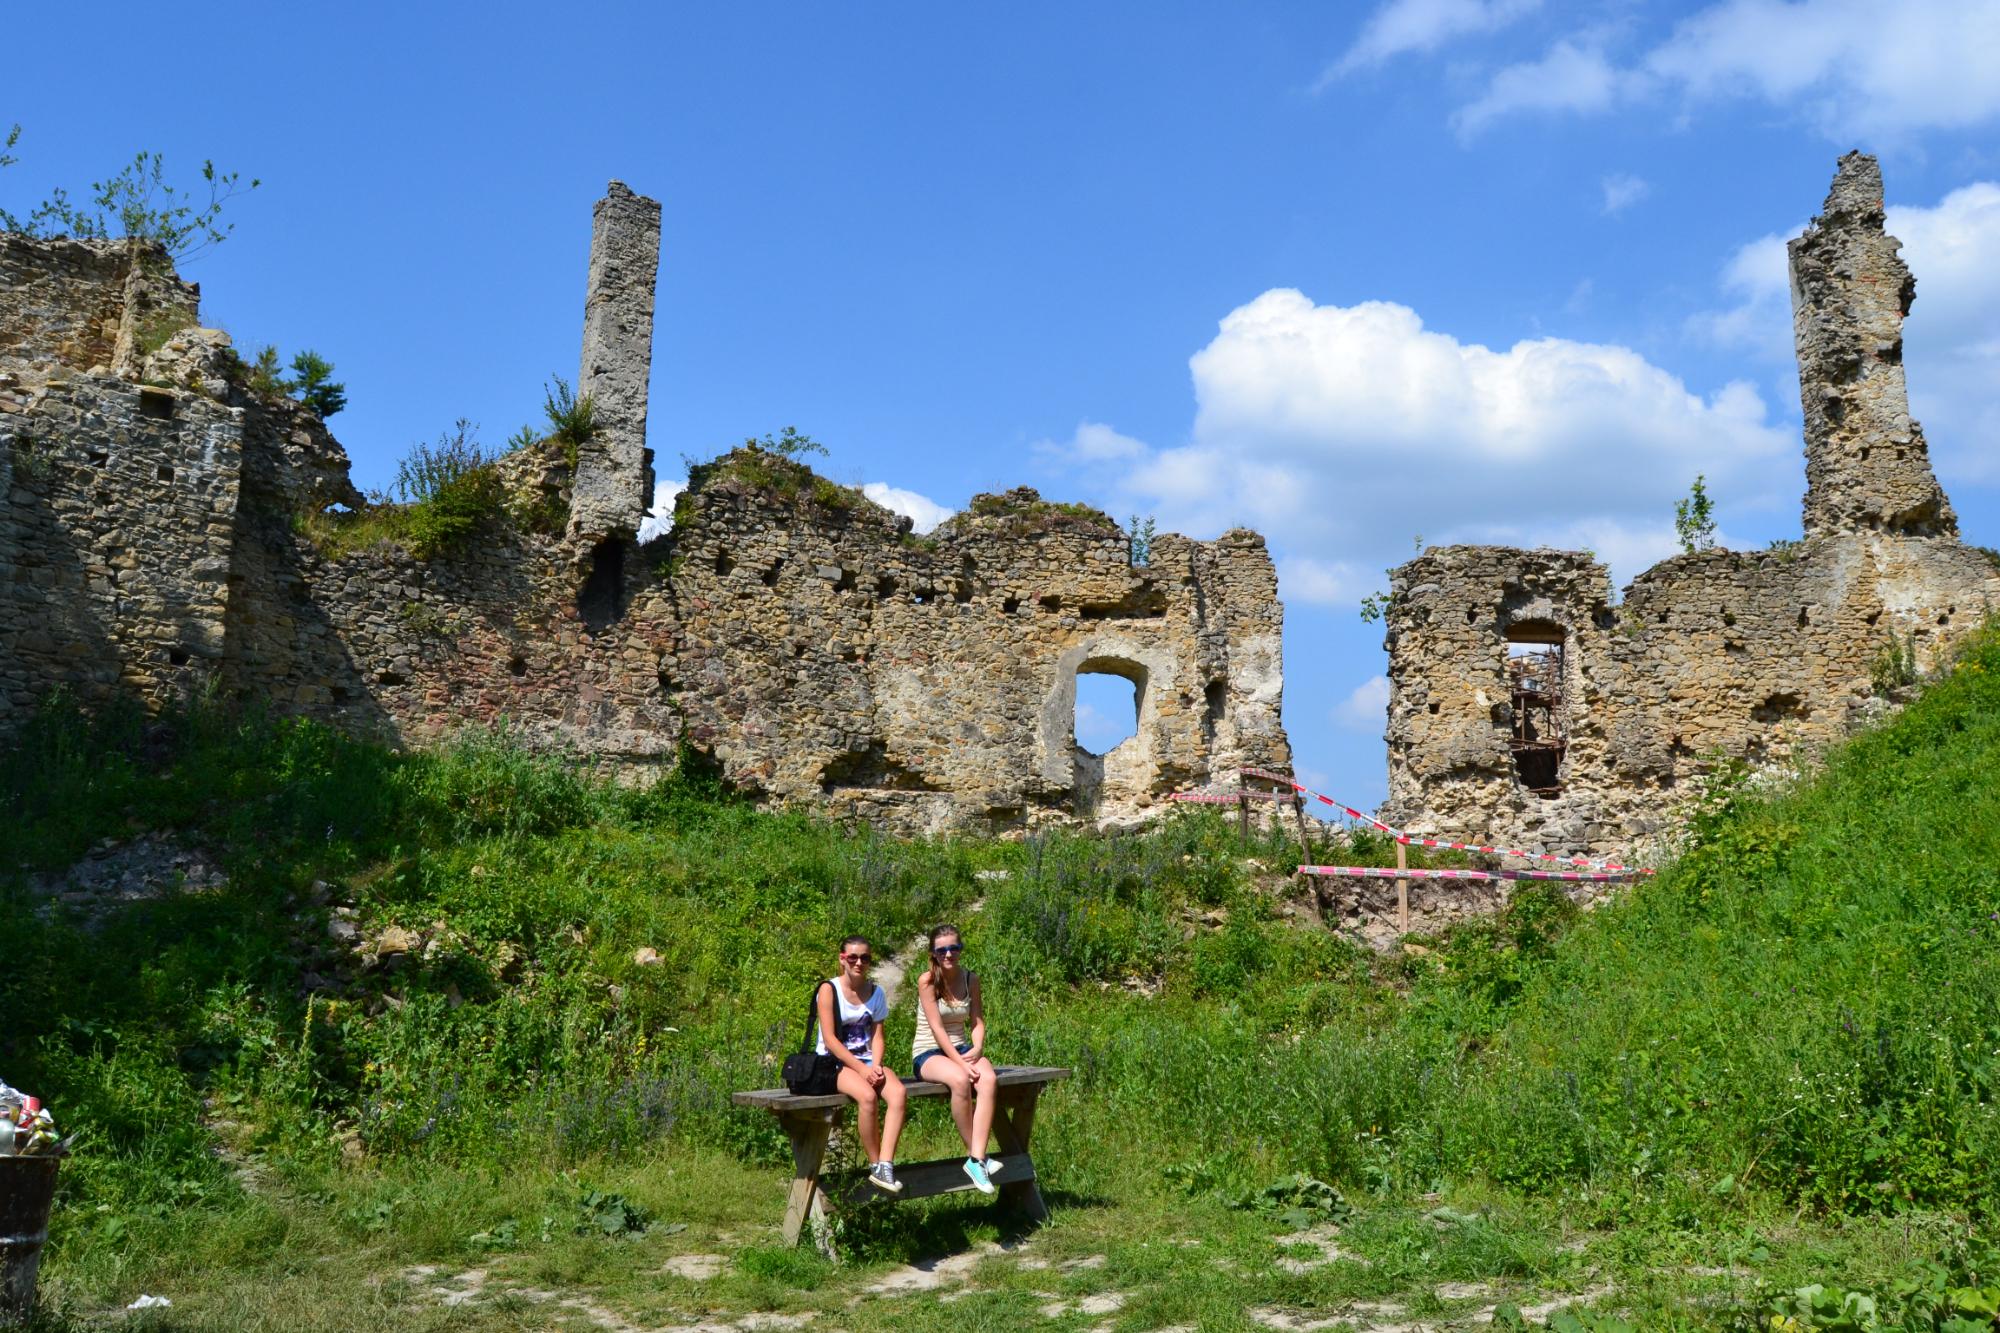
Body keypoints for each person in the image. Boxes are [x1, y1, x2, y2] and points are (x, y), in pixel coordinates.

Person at [912, 923, 1003, 1194]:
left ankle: (975, 1158)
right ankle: (979, 1159)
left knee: (988, 1079)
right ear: (933, 953)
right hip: (929, 1051)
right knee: (961, 1080)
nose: (948, 954)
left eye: (954, 948)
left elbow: (977, 1020)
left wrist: (977, 1046)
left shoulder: (970, 979)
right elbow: (937, 1029)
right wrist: (961, 1062)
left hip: (962, 1047)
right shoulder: (927, 981)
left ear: (961, 949)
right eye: (942, 950)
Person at [816, 933, 907, 1192]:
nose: (859, 963)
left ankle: (885, 1164)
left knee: (898, 1092)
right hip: (834, 1062)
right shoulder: (828, 990)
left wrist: (876, 1066)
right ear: (842, 959)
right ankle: (874, 1163)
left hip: (867, 1060)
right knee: (867, 1097)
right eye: (853, 957)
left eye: (865, 958)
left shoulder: (876, 993)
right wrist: (863, 1071)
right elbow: (831, 1040)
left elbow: (878, 1036)